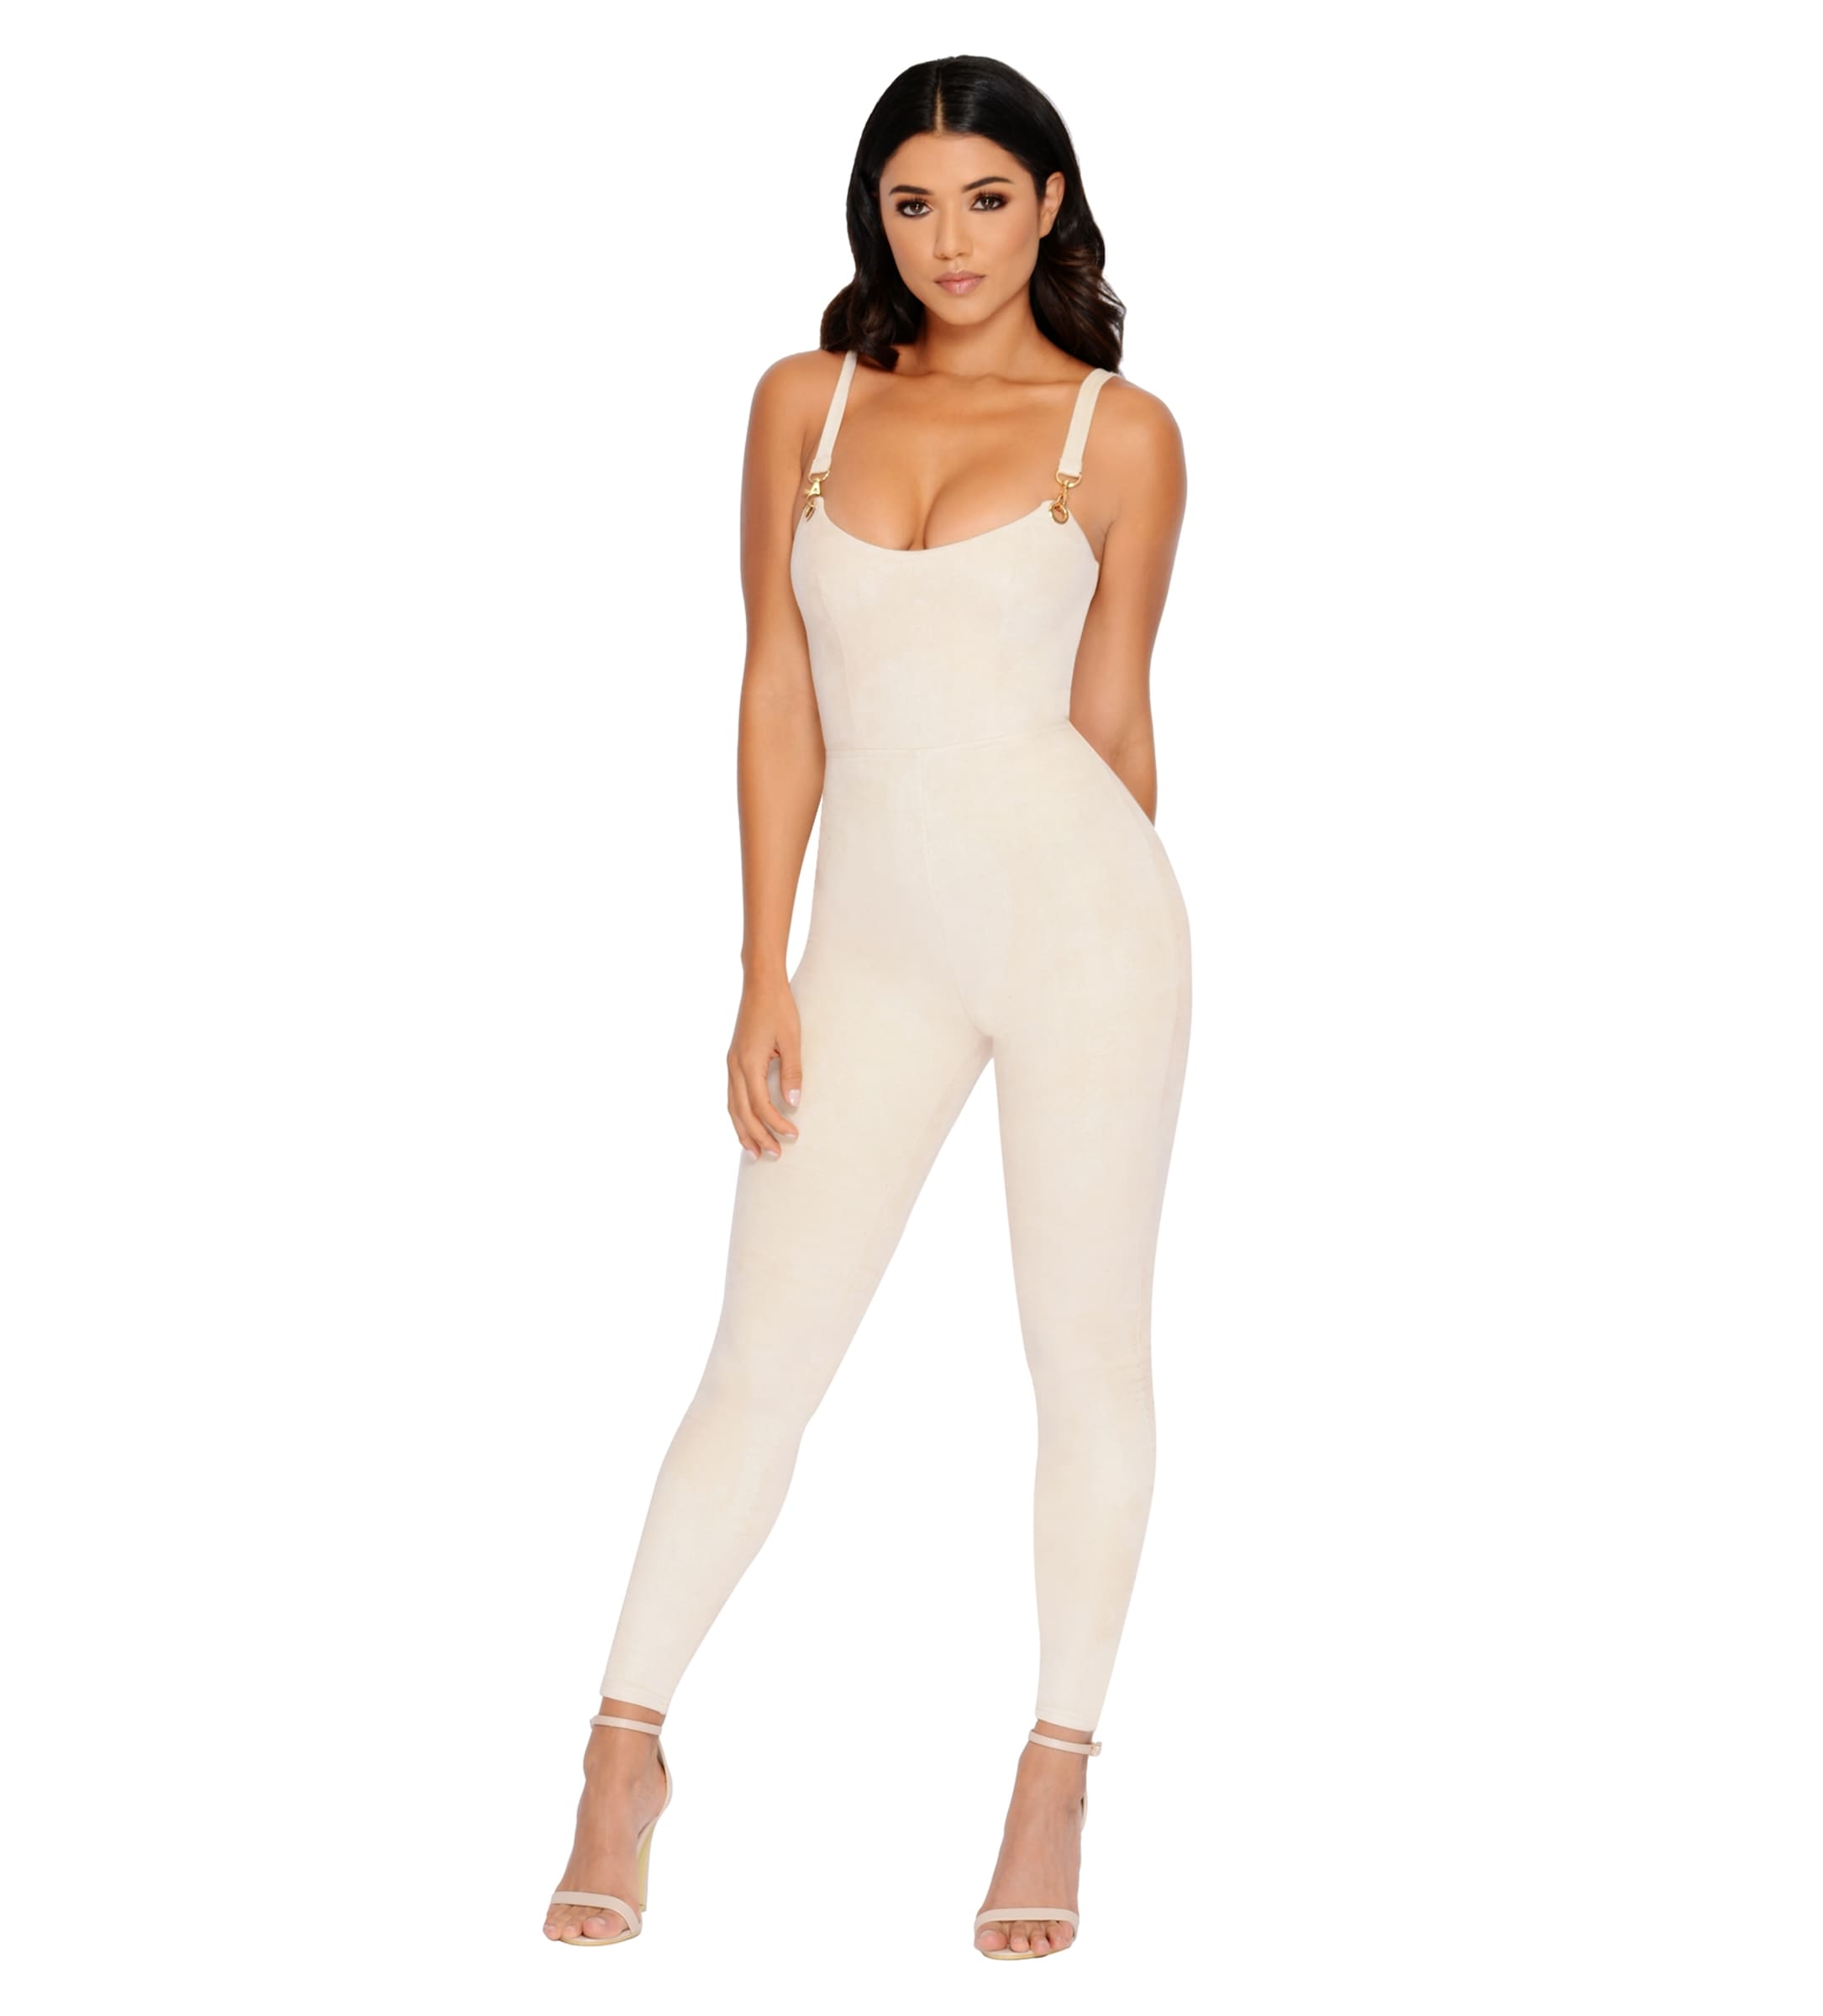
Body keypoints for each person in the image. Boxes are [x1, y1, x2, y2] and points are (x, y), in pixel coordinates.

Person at [544, 54, 1191, 1961]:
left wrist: (1114, 965)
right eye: (915, 202)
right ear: (874, 214)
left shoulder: (1122, 434)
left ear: (1051, 204)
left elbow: (1115, 717)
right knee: (760, 1356)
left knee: (1084, 1357)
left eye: (988, 199)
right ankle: (620, 1752)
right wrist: (765, 963)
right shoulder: (802, 402)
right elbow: (777, 686)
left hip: (1088, 934)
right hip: (871, 950)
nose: (952, 241)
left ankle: (1055, 1773)